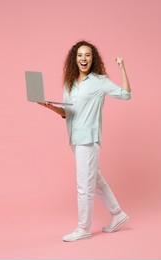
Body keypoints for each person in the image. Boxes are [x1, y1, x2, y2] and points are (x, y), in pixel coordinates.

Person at [39, 40, 132, 242]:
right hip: (74, 137)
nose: (84, 58)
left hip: (89, 139)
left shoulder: (99, 81)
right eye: (80, 55)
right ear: (75, 58)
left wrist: (122, 68)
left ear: (93, 58)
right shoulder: (69, 83)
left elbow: (126, 95)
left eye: (88, 55)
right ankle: (118, 214)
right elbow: (68, 112)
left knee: (84, 185)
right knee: (95, 180)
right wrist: (48, 106)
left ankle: (83, 228)